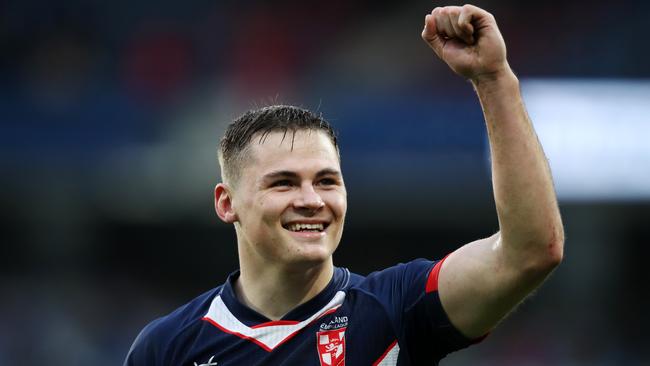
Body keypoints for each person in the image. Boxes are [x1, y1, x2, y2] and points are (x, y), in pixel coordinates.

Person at [124, 4, 564, 365]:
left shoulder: (394, 308)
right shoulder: (166, 348)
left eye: (327, 181)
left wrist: (494, 80)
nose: (312, 200)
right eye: (283, 183)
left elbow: (529, 253)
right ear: (227, 203)